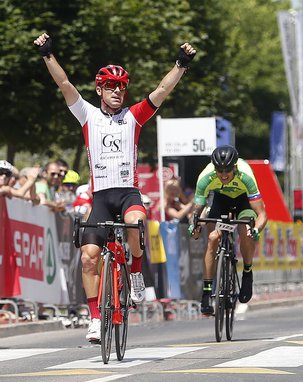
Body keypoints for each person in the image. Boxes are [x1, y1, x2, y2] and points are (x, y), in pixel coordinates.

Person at [34, 32, 196, 343]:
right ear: (99, 90)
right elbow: (65, 85)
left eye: (122, 86)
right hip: (100, 197)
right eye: (111, 86)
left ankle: (135, 271)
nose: (117, 91)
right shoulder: (87, 114)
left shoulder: (133, 116)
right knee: (89, 257)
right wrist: (47, 55)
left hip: (127, 193)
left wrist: (181, 64)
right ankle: (95, 318)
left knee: (136, 222)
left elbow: (162, 90)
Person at [189, 145, 268, 315]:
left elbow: (262, 214)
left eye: (227, 171)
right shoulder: (205, 177)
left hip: (243, 201)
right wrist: (193, 225)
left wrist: (256, 230)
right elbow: (196, 211)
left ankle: (247, 273)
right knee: (212, 238)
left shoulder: (246, 176)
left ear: (235, 167)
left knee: (245, 230)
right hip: (220, 200)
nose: (224, 175)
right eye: (220, 170)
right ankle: (207, 291)